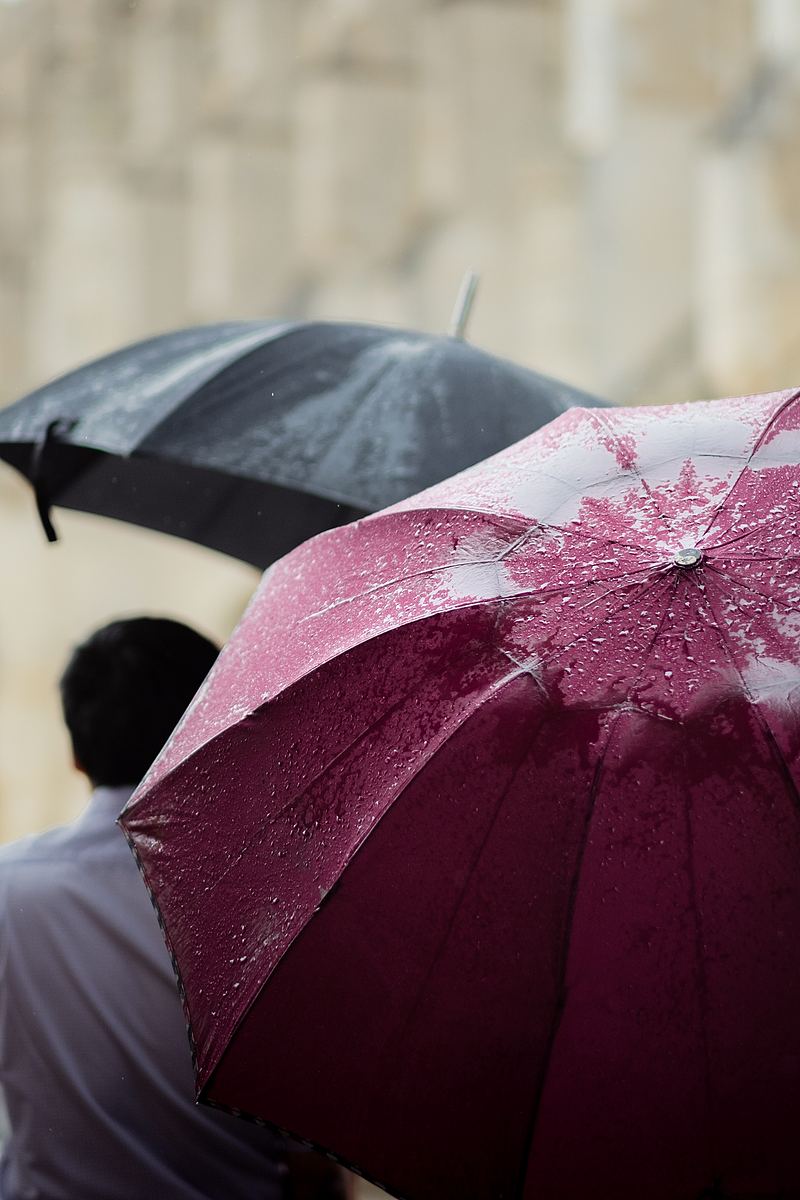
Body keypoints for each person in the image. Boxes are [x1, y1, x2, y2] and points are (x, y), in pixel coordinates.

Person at [0, 617, 346, 1200]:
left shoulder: (11, 891)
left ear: (77, 757)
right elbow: (311, 1163)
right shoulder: (288, 906)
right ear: (217, 735)